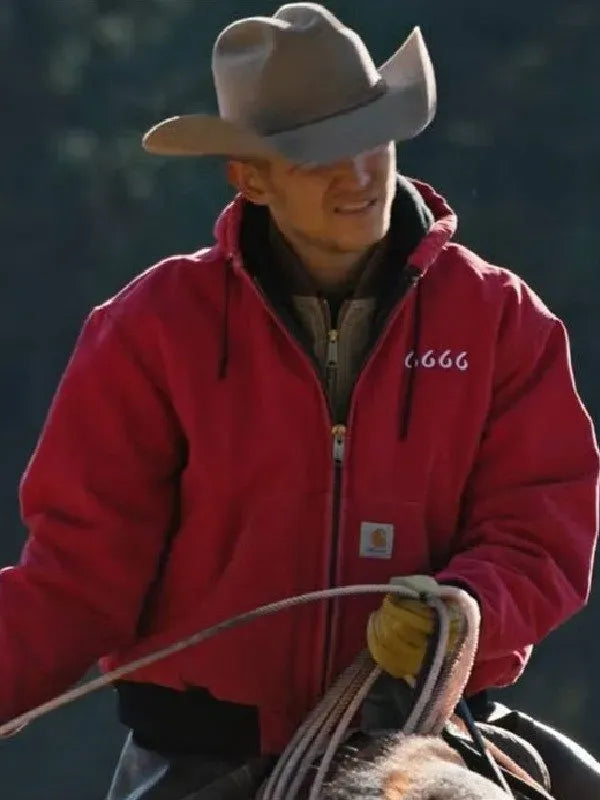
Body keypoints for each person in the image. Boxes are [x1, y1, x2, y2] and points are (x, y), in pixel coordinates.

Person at [0, 3, 598, 799]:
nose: (357, 178)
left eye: (371, 143)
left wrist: (466, 606)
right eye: (320, 158)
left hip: (430, 733)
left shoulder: (501, 319)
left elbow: (543, 530)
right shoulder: (151, 329)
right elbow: (78, 578)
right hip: (201, 752)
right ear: (250, 177)